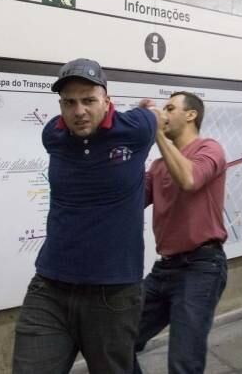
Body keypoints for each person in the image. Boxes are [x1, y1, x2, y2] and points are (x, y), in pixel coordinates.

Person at [12, 58, 157, 374]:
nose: (79, 111)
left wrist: (147, 110)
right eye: (70, 103)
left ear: (107, 100)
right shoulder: (53, 135)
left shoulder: (137, 130)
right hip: (50, 287)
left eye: (89, 100)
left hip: (114, 292)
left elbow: (150, 114)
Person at [133, 92, 228, 374]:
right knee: (115, 338)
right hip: (165, 270)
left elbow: (189, 179)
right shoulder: (159, 165)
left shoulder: (209, 149)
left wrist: (157, 134)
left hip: (201, 267)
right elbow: (131, 201)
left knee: (183, 363)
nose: (164, 113)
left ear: (191, 115)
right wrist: (135, 137)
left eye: (170, 108)